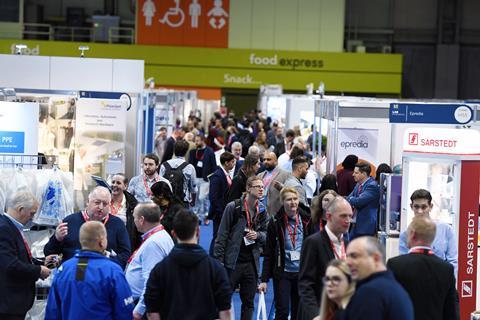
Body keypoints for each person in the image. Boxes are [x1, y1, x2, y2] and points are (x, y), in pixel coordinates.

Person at [145, 209, 232, 320]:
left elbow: (152, 312)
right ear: (198, 232)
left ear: (173, 234)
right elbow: (225, 312)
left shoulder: (159, 270)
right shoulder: (216, 269)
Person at [45, 221, 134, 319]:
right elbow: (124, 310)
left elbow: (52, 310)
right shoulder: (112, 271)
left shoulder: (64, 269)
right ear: (102, 242)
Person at [214, 176, 269, 320]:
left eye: (262, 186)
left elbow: (267, 235)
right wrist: (218, 261)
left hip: (251, 263)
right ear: (248, 189)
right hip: (232, 262)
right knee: (223, 300)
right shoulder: (234, 207)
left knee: (249, 303)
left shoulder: (262, 210)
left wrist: (257, 235)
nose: (261, 189)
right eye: (258, 186)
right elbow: (222, 235)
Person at [387, 216, 459, 320]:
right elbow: (451, 312)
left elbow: (388, 305)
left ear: (412, 234)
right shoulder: (446, 269)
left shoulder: (395, 265)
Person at [259, 187, 313, 320]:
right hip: (283, 272)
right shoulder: (275, 222)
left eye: (295, 199)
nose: (293, 202)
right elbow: (269, 252)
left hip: (302, 273)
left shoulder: (307, 219)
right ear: (283, 202)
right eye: (289, 199)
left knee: (299, 311)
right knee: (282, 310)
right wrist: (264, 279)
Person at [44, 186, 131, 268]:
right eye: (97, 202)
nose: (100, 207)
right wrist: (57, 239)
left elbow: (125, 255)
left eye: (105, 204)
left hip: (104, 273)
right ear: (87, 202)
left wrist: (106, 262)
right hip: (74, 273)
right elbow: (49, 254)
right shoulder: (69, 221)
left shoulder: (117, 224)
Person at [297, 196, 353, 320]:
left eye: (350, 216)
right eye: (343, 216)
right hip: (318, 312)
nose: (348, 220)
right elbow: (305, 284)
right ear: (329, 216)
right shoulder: (313, 242)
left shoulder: (349, 245)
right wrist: (316, 314)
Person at [0, 190, 52, 319]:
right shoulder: (4, 229)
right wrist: (38, 270)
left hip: (13, 304)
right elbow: (10, 266)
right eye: (32, 213)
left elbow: (17, 257)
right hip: (8, 305)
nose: (33, 218)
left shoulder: (11, 227)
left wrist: (41, 261)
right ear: (21, 209)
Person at [344, 237, 414, 320]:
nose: (347, 262)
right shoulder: (397, 290)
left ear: (376, 258)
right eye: (347, 257)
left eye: (354, 256)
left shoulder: (370, 292)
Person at [126, 203, 174, 320]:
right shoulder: (158, 237)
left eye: (135, 218)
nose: (134, 221)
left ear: (141, 220)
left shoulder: (153, 244)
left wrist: (139, 311)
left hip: (143, 307)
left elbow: (151, 281)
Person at [398, 189, 457, 274]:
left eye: (424, 207)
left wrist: (447, 283)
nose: (420, 211)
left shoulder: (446, 230)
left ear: (430, 207)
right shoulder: (405, 235)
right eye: (416, 207)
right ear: (411, 207)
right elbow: (404, 264)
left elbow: (453, 262)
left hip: (441, 280)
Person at [207, 151, 236, 252]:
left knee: (221, 236)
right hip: (219, 213)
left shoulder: (226, 174)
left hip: (224, 211)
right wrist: (221, 212)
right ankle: (212, 257)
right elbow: (213, 197)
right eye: (232, 162)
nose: (234, 164)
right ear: (227, 163)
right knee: (217, 237)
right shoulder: (217, 176)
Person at [160, 140, 197, 208]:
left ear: (174, 151)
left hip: (167, 201)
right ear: (186, 152)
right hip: (183, 201)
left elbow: (160, 183)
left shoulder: (164, 165)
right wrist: (193, 201)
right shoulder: (189, 167)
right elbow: (193, 188)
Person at [346, 162, 379, 239]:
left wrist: (352, 199)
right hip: (355, 225)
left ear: (363, 174)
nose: (353, 174)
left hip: (365, 227)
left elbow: (358, 202)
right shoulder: (358, 184)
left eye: (356, 173)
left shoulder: (372, 186)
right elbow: (349, 198)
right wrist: (353, 199)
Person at [188, 134, 217, 221]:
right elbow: (190, 165)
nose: (196, 142)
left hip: (205, 179)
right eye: (195, 140)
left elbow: (214, 166)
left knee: (202, 198)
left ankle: (205, 215)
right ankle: (196, 216)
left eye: (198, 140)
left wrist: (212, 178)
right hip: (195, 178)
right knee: (196, 198)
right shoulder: (192, 152)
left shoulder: (210, 151)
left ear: (203, 140)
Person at [110, 173, 141, 250]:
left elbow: (137, 231)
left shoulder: (133, 204)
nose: (114, 185)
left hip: (124, 244)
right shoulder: (104, 200)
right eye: (113, 182)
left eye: (118, 183)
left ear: (125, 186)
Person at [257, 151, 290, 216]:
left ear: (276, 161)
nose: (265, 161)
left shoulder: (286, 174)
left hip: (276, 213)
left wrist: (282, 188)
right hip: (261, 212)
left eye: (269, 159)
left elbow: (291, 193)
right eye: (264, 160)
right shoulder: (259, 176)